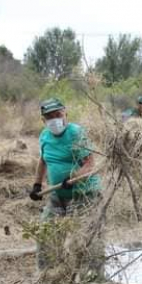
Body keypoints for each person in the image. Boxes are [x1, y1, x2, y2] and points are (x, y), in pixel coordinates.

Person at [29, 98, 102, 270]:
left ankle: (92, 280)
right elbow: (43, 160)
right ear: (43, 120)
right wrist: (37, 185)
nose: (54, 119)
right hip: (57, 196)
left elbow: (90, 164)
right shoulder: (44, 136)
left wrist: (73, 178)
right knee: (46, 235)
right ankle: (48, 276)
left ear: (65, 114)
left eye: (58, 114)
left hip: (84, 195)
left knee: (85, 239)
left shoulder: (76, 133)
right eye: (49, 117)